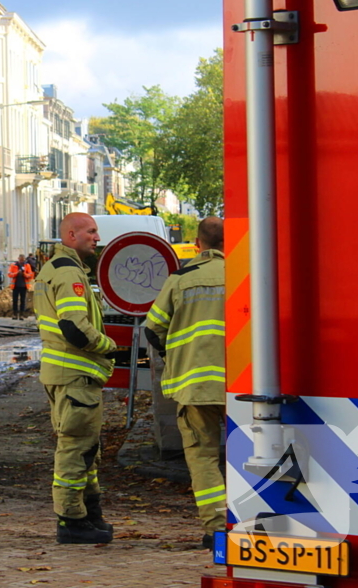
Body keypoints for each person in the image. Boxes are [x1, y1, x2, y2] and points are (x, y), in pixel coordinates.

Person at [33, 212, 119, 544]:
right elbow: (73, 326)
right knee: (75, 449)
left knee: (86, 450)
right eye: (91, 231)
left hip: (66, 374)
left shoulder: (55, 269)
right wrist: (109, 346)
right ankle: (71, 521)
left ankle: (88, 515)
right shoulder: (69, 273)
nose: (97, 237)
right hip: (75, 374)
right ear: (71, 235)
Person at [144, 216, 226, 550]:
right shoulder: (248, 275)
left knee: (203, 457)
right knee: (254, 452)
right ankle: (257, 524)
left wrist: (175, 355)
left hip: (196, 386)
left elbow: (152, 329)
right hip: (245, 386)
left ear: (197, 244)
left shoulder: (180, 280)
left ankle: (217, 529)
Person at [7, 254, 35, 320]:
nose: (21, 260)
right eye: (20, 259)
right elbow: (9, 274)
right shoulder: (13, 265)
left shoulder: (27, 265)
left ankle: (22, 314)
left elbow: (30, 275)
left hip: (24, 286)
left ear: (24, 259)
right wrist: (17, 273)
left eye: (23, 259)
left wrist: (24, 274)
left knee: (23, 301)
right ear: (18, 258)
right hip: (15, 286)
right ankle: (14, 314)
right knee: (15, 300)